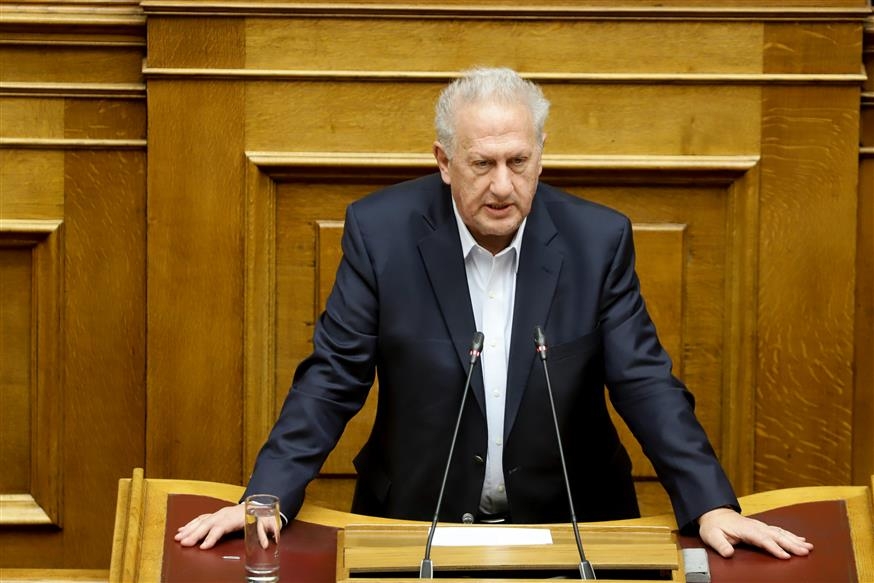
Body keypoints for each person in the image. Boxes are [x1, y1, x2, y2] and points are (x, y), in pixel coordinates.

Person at [176, 67, 812, 560]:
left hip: (571, 525)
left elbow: (645, 383)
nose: (503, 186)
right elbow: (332, 378)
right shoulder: (382, 233)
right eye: (481, 164)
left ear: (541, 154)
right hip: (419, 523)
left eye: (518, 162)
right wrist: (266, 497)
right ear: (444, 162)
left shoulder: (597, 241)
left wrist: (709, 504)